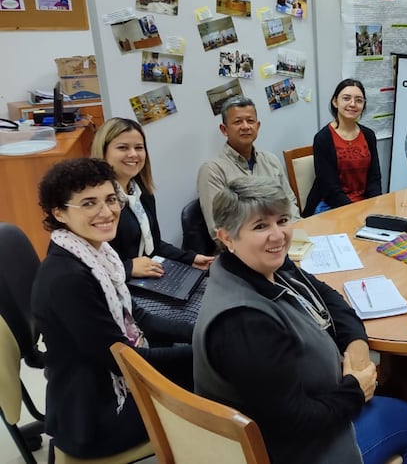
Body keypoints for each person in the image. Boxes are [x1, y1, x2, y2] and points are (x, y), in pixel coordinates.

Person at [193, 177, 407, 464]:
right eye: (260, 226)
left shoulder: (256, 264)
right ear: (227, 237)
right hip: (288, 448)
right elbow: (293, 424)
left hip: (313, 405)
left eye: (282, 220)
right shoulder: (244, 323)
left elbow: (325, 294)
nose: (278, 236)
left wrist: (356, 343)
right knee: (405, 417)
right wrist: (354, 391)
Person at [31, 158, 193, 459]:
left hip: (101, 386)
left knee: (206, 358)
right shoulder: (67, 280)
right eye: (89, 203)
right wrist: (206, 350)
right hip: (95, 418)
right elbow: (125, 361)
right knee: (218, 381)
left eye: (111, 199)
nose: (107, 212)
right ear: (59, 212)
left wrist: (201, 330)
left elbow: (137, 316)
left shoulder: (97, 253)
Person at [92, 117, 214, 280]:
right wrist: (128, 268)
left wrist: (190, 259)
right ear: (103, 151)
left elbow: (153, 246)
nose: (133, 154)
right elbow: (90, 263)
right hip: (119, 284)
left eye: (139, 147)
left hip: (145, 276)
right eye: (123, 147)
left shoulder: (142, 192)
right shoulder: (95, 202)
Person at [197, 95, 300, 239]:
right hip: (245, 251)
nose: (245, 126)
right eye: (238, 122)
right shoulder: (212, 171)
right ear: (224, 129)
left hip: (284, 240)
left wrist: (295, 234)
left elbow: (290, 204)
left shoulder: (271, 160)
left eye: (250, 121)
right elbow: (218, 228)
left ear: (257, 126)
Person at [303, 79, 382, 216]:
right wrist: (355, 212)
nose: (352, 104)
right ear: (335, 102)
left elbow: (374, 178)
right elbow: (329, 189)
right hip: (330, 205)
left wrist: (373, 206)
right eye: (346, 98)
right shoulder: (323, 138)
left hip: (363, 205)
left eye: (358, 100)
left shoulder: (368, 135)